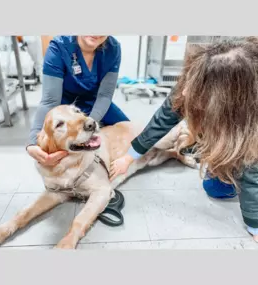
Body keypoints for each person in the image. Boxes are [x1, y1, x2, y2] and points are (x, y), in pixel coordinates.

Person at [110, 37, 258, 242]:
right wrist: (129, 156)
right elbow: (163, 119)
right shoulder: (195, 76)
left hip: (245, 138)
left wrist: (255, 225)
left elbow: (251, 172)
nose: (186, 91)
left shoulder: (250, 119)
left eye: (198, 89)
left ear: (229, 98)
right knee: (215, 187)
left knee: (245, 171)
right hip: (228, 127)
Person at [26, 35, 129, 166]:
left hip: (95, 101)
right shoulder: (59, 47)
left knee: (131, 135)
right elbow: (50, 101)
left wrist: (89, 127)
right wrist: (32, 141)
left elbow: (105, 95)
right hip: (65, 105)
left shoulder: (113, 48)